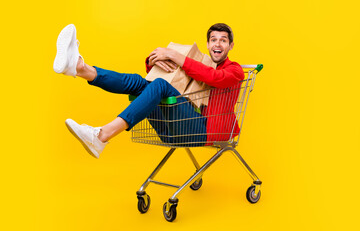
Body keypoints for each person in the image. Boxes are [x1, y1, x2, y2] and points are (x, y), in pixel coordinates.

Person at [53, 23, 244, 158]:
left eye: (223, 40)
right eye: (213, 40)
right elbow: (176, 79)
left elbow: (213, 78)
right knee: (140, 82)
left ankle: (102, 135)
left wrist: (172, 54)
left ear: (231, 45)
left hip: (204, 132)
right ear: (208, 44)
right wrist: (153, 61)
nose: (217, 44)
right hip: (174, 126)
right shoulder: (202, 63)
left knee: (160, 85)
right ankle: (80, 68)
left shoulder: (235, 70)